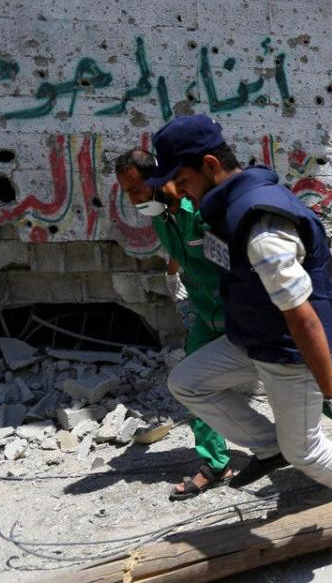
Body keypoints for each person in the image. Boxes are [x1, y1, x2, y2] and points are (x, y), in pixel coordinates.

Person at [146, 114, 332, 494]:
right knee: (187, 382)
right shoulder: (229, 209)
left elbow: (304, 319)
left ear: (210, 165)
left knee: (305, 450)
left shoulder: (261, 227)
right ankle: (268, 445)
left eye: (184, 181)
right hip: (255, 339)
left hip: (289, 352)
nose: (181, 191)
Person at [115, 148, 231, 501]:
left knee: (286, 372)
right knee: (191, 383)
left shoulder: (198, 210)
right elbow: (177, 254)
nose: (132, 200)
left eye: (135, 190)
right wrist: (174, 284)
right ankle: (216, 464)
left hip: (241, 313)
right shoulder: (161, 218)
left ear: (156, 180)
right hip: (207, 316)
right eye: (126, 193)